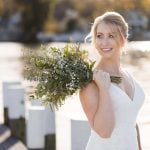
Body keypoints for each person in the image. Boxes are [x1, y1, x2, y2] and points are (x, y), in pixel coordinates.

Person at [79, 11, 145, 150]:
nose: (104, 42)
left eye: (111, 36)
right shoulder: (90, 83)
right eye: (99, 36)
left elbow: (132, 121)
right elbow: (104, 132)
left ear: (123, 38)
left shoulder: (127, 74)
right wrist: (104, 89)